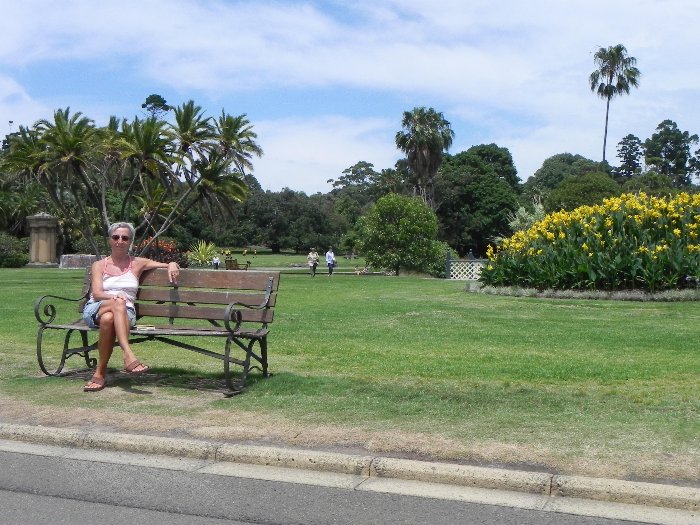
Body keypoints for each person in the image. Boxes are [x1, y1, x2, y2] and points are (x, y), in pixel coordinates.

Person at [81, 222, 180, 392]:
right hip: (97, 308)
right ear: (110, 240)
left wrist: (171, 264)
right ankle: (128, 355)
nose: (120, 241)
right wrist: (114, 297)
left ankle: (99, 373)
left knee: (108, 319)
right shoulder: (99, 265)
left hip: (126, 314)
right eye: (115, 237)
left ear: (130, 242)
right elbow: (96, 293)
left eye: (125, 238)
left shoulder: (138, 263)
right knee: (117, 304)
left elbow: (165, 264)